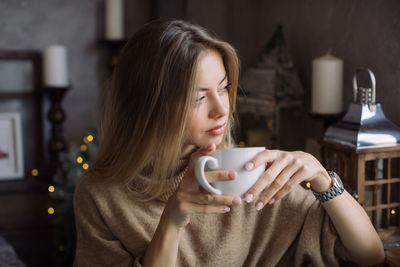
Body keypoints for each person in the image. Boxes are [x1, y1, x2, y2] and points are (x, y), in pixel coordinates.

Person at [73, 19, 385, 267]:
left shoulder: (245, 174)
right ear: (148, 106)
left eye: (223, 88)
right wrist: (172, 222)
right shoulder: (101, 196)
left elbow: (371, 254)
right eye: (199, 97)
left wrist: (320, 177)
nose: (222, 109)